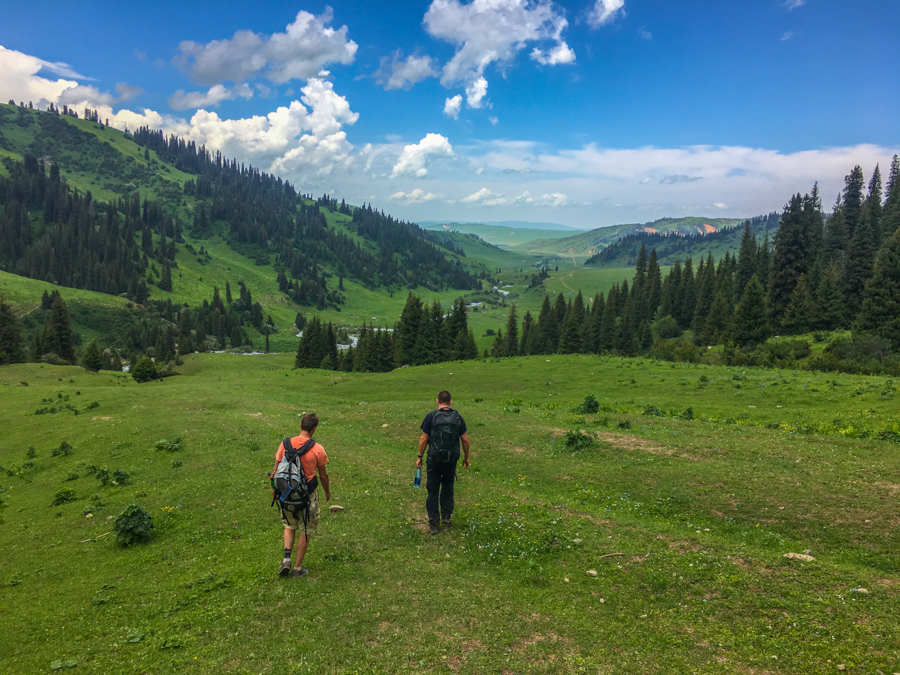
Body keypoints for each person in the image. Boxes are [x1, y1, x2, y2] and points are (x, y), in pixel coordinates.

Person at [271, 413, 331, 577]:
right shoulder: (317, 449)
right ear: (314, 429)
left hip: (287, 495)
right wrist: (327, 492)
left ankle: (286, 560)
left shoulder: (285, 444)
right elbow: (323, 475)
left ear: (300, 426)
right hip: (306, 497)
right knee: (305, 530)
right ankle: (297, 568)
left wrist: (275, 491)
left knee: (289, 526)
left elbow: (276, 470)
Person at [416, 391, 470, 535]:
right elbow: (465, 439)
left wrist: (419, 456)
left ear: (437, 401)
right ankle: (446, 516)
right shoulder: (457, 417)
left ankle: (433, 523)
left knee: (432, 490)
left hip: (434, 459)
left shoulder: (431, 417)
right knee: (447, 485)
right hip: (451, 459)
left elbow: (423, 439)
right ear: (450, 402)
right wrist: (466, 457)